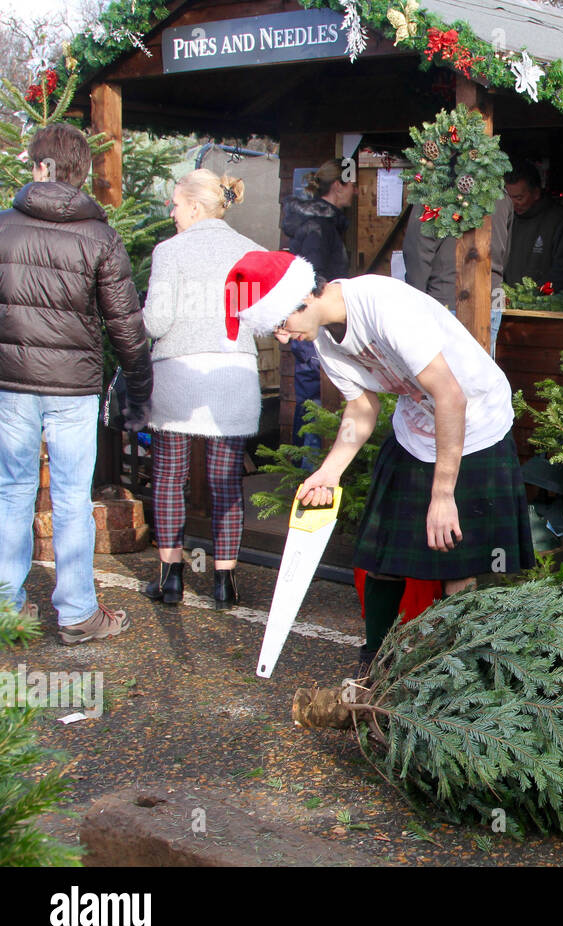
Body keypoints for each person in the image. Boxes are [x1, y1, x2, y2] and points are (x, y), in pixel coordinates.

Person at [223, 251, 535, 676]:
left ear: (302, 299)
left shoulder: (384, 306)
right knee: (383, 557)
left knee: (460, 566)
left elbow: (451, 396)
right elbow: (361, 410)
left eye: (281, 324)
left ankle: (463, 674)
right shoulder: (324, 339)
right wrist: (330, 471)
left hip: (475, 424)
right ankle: (375, 663)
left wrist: (443, 494)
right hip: (417, 428)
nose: (281, 337)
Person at [0, 122, 151, 644]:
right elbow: (126, 326)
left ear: (41, 168)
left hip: (10, 383)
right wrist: (139, 391)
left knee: (11, 493)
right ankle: (78, 613)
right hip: (73, 388)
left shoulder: (2, 227)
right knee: (70, 498)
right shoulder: (100, 238)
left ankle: (7, 611)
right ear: (81, 173)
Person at [141, 170, 264, 609]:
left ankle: (171, 578)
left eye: (175, 204)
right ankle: (224, 584)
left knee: (169, 477)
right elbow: (259, 321)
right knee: (226, 480)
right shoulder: (252, 252)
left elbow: (155, 322)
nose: (171, 212)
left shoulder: (169, 252)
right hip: (234, 374)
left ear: (194, 206)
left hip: (180, 372)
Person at [280, 159, 355, 452]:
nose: (357, 191)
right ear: (337, 186)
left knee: (313, 396)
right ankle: (307, 466)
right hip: (313, 325)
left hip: (316, 323)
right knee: (315, 400)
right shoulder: (318, 227)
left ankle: (306, 464)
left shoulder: (324, 223)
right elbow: (312, 277)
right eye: (351, 184)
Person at [402, 192, 512, 356]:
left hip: (445, 300)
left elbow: (418, 254)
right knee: (481, 375)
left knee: (444, 377)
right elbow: (504, 252)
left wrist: (414, 305)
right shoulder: (500, 194)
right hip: (491, 300)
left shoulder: (434, 189)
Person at [503, 163, 563, 291]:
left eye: (519, 198)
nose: (512, 204)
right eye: (508, 198)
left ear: (536, 193)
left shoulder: (560, 221)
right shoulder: (505, 218)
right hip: (504, 302)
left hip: (545, 305)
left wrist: (538, 297)